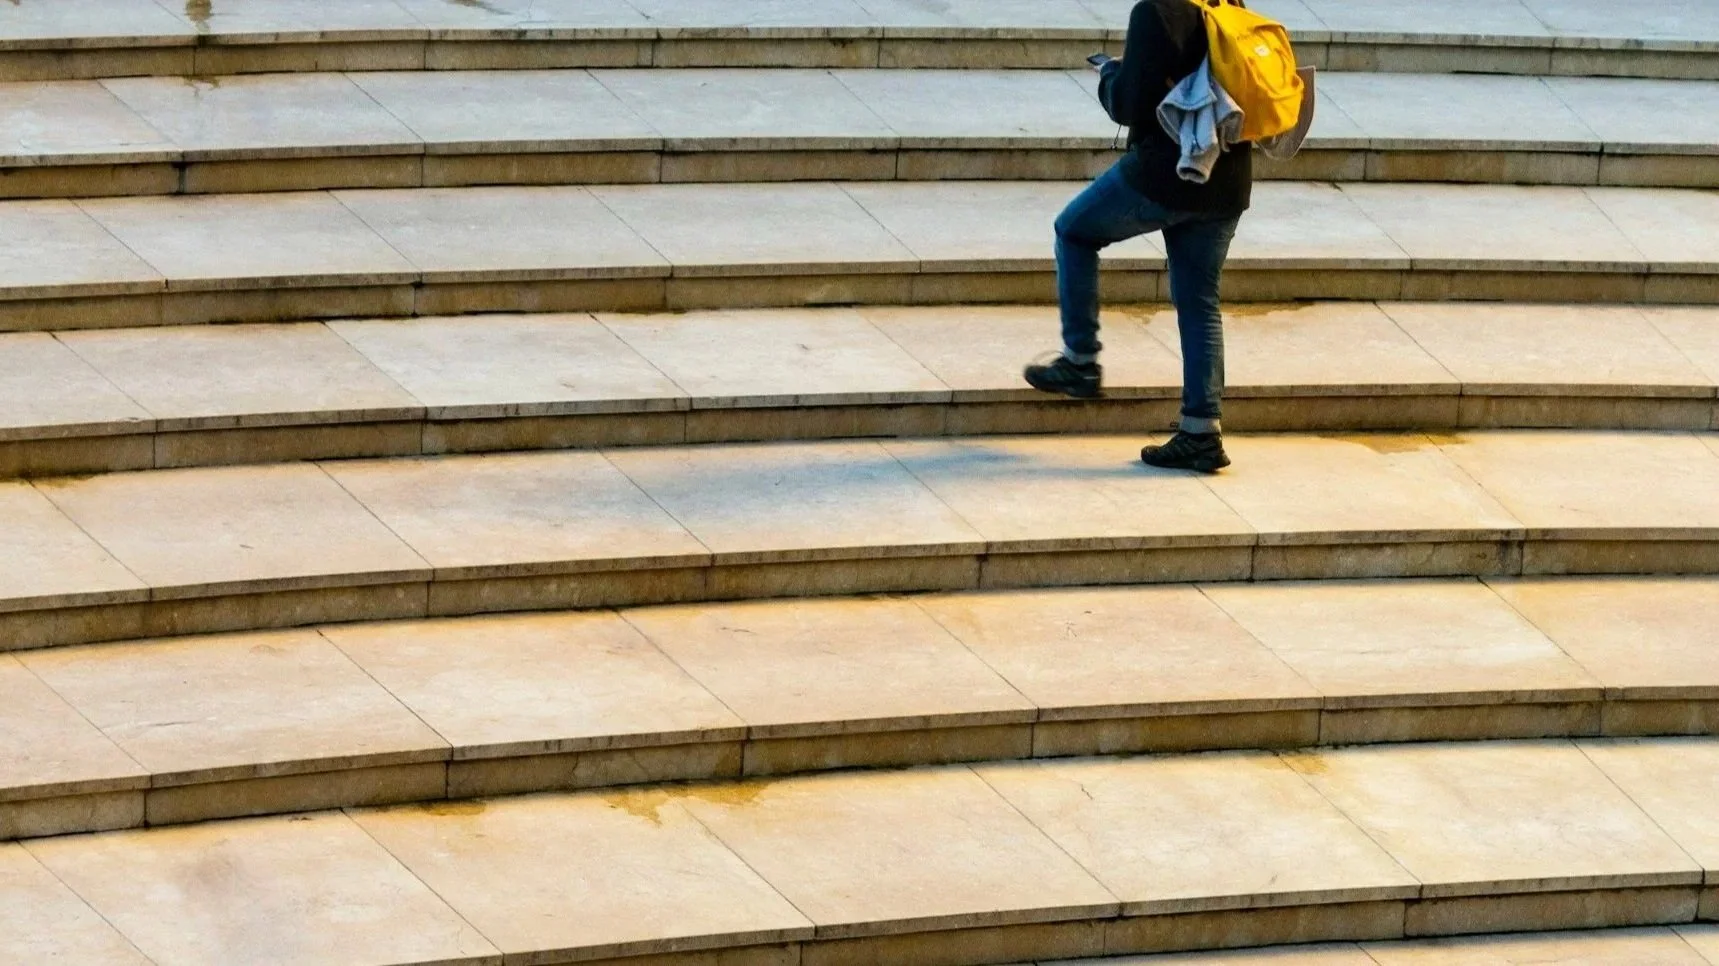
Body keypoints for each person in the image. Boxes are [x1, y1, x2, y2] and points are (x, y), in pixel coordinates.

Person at [1023, 0, 1250, 473]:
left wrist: (1110, 77)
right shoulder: (1227, 4)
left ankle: (1081, 360)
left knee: (1074, 230)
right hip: (1226, 179)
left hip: (1167, 174)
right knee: (1199, 301)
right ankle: (1201, 433)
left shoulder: (1155, 12)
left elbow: (1131, 104)